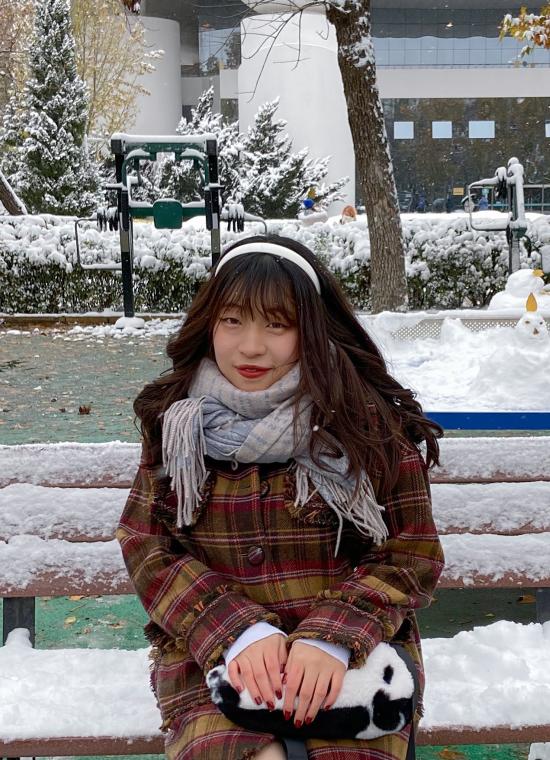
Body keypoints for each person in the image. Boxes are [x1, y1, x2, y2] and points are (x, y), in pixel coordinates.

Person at [117, 235, 445, 760]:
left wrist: (331, 638)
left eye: (277, 324)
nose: (251, 346)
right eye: (232, 321)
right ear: (209, 324)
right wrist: (238, 631)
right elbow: (147, 546)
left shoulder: (365, 427)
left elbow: (412, 554)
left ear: (310, 329)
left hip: (353, 657)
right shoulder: (177, 428)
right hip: (218, 657)